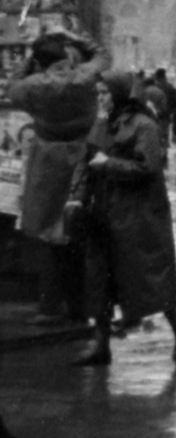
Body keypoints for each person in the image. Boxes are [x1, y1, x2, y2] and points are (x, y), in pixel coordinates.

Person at [75, 70, 176, 366]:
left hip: (138, 215)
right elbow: (87, 161)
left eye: (105, 93)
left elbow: (148, 167)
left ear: (118, 94)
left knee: (149, 276)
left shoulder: (144, 126)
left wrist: (108, 164)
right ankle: (101, 344)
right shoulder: (101, 124)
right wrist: (77, 196)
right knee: (100, 277)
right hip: (103, 211)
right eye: (98, 93)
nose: (100, 98)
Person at [5, 32, 106, 324]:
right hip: (83, 159)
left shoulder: (34, 86)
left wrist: (28, 61)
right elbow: (103, 56)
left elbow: (13, 87)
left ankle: (50, 307)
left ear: (39, 62)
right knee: (78, 234)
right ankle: (79, 306)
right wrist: (78, 38)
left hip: (48, 162)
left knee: (50, 234)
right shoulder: (84, 77)